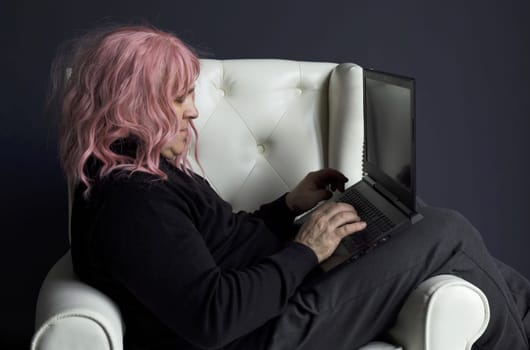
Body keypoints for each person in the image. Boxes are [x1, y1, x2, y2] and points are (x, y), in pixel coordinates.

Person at [48, 24, 530, 350]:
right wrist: (307, 249)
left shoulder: (149, 172)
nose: (193, 112)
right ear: (133, 108)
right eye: (178, 100)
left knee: (410, 215)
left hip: (273, 301)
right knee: (447, 230)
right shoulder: (132, 202)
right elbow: (214, 318)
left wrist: (287, 207)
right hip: (265, 334)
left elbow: (218, 245)